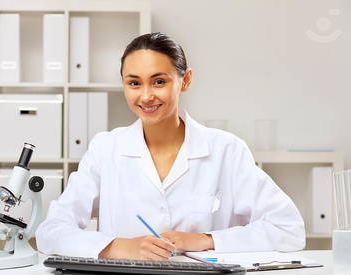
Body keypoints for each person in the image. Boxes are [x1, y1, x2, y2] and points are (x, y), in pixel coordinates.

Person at [36, 32, 305, 260]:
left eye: (159, 81)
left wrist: (206, 239)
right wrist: (118, 247)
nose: (146, 95)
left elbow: (289, 230)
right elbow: (51, 232)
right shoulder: (106, 148)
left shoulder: (226, 150)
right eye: (134, 83)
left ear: (185, 80)